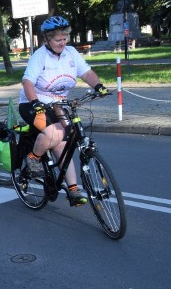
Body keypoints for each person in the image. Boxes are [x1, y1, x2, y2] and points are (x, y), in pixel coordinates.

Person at [18, 16, 109, 207]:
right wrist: (35, 102)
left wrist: (98, 86)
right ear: (47, 40)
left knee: (62, 143)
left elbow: (87, 73)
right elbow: (27, 82)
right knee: (53, 133)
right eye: (58, 39)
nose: (62, 42)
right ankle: (33, 158)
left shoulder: (71, 53)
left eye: (64, 38)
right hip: (33, 103)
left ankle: (74, 190)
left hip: (60, 104)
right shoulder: (40, 57)